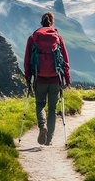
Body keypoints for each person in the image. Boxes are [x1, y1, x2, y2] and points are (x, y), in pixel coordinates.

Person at [24, 12, 71, 145]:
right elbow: (65, 60)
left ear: (41, 22)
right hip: (55, 79)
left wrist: (28, 78)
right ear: (52, 22)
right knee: (52, 109)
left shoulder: (33, 38)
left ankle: (42, 125)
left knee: (40, 105)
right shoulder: (57, 37)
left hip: (40, 78)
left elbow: (27, 60)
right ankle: (49, 139)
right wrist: (67, 79)